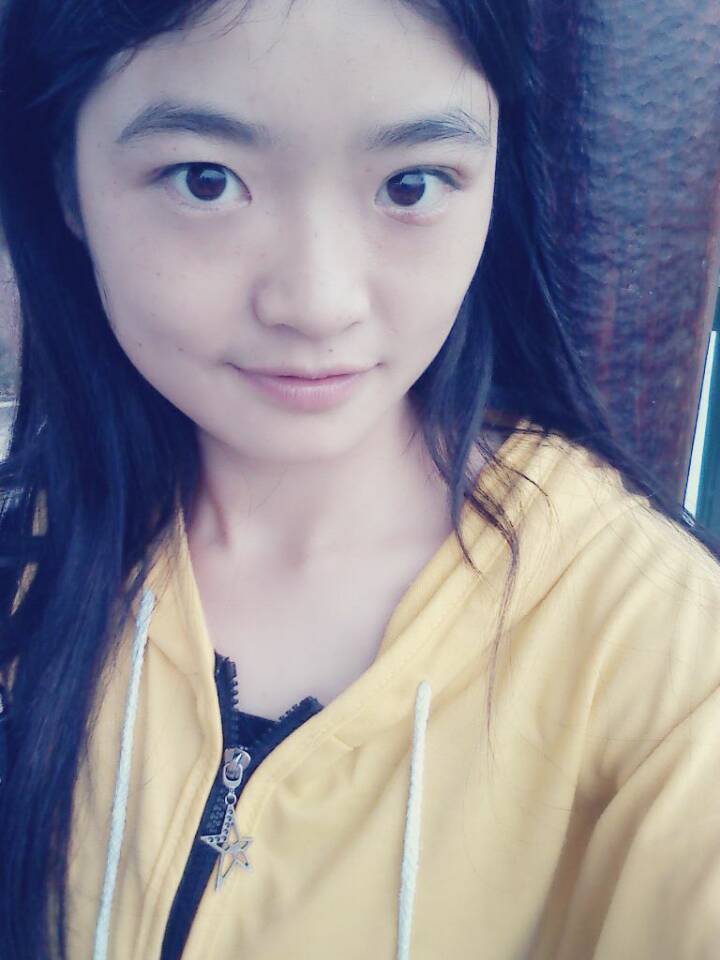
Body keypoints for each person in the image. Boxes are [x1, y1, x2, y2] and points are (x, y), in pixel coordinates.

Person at [0, 0, 718, 957]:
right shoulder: (29, 553)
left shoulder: (661, 657)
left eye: (411, 184)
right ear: (66, 180)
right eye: (206, 180)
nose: (318, 304)